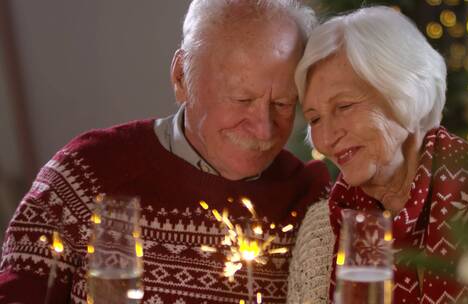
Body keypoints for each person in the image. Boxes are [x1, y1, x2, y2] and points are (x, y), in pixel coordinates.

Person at [0, 1, 329, 303]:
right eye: (241, 100)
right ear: (181, 77)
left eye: (282, 104)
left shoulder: (312, 203)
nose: (263, 129)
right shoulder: (85, 176)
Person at [287, 6, 468, 304]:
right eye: (315, 119)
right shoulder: (321, 232)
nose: (327, 138)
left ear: (405, 93)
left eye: (343, 106)